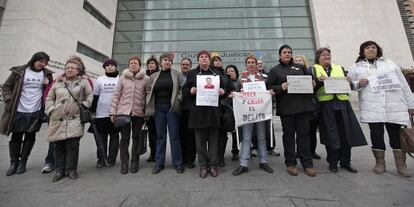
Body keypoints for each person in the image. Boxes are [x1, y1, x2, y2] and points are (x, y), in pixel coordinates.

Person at [348, 41, 414, 177]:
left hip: (393, 105)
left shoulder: (390, 64)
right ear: (362, 51)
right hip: (372, 106)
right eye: (367, 48)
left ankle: (401, 163)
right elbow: (349, 83)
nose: (371, 49)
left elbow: (404, 85)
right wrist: (358, 83)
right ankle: (380, 162)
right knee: (376, 134)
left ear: (378, 50)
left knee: (396, 134)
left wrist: (411, 105)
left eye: (374, 47)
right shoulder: (356, 67)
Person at [313, 47, 367, 174]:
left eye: (328, 55)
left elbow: (349, 84)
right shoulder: (313, 69)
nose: (326, 57)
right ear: (318, 57)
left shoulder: (339, 68)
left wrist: (349, 82)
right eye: (323, 55)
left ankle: (345, 162)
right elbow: (312, 87)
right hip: (326, 105)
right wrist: (318, 81)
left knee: (345, 133)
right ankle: (333, 162)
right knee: (331, 135)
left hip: (342, 104)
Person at [1, 52, 53, 176]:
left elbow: (51, 91)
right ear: (34, 59)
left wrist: (47, 85)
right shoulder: (20, 71)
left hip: (35, 110)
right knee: (16, 136)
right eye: (41, 61)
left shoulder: (47, 74)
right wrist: (9, 100)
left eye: (45, 62)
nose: (43, 64)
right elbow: (7, 87)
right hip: (19, 109)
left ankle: (23, 162)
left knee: (30, 136)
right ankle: (13, 163)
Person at [267, 45, 316, 177]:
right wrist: (280, 88)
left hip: (303, 108)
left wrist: (313, 83)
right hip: (287, 109)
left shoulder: (300, 67)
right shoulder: (274, 70)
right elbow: (269, 88)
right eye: (284, 52)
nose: (287, 54)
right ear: (280, 55)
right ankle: (290, 163)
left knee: (304, 136)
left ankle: (307, 164)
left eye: (289, 52)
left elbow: (311, 80)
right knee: (289, 137)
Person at [41, 57, 94, 174]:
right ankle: (59, 170)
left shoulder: (84, 82)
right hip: (58, 118)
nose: (69, 70)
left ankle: (71, 169)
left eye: (72, 68)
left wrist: (84, 106)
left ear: (78, 70)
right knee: (58, 144)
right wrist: (51, 110)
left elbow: (90, 96)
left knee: (73, 145)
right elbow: (49, 97)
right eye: (67, 68)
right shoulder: (58, 82)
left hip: (75, 118)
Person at [183, 50, 227, 178]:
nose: (204, 59)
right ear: (198, 60)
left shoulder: (216, 73)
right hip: (198, 113)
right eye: (201, 57)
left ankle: (213, 165)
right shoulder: (192, 73)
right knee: (200, 142)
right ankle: (203, 166)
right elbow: (185, 91)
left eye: (206, 57)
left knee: (213, 141)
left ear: (209, 60)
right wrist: (190, 90)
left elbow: (225, 88)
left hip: (213, 112)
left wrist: (222, 91)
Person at [232, 54, 274, 176]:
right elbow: (237, 91)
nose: (251, 64)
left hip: (260, 111)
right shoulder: (241, 77)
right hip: (247, 112)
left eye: (253, 62)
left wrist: (270, 93)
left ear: (256, 64)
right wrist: (234, 95)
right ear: (246, 65)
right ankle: (243, 163)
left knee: (261, 137)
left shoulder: (263, 77)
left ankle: (263, 161)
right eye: (249, 62)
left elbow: (268, 90)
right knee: (246, 137)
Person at [109, 56, 149, 174]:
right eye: (131, 63)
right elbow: (116, 95)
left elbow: (148, 96)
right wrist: (113, 112)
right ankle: (124, 163)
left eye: (135, 63)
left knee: (136, 138)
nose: (133, 65)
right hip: (124, 112)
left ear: (139, 65)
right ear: (128, 65)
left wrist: (147, 111)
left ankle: (134, 162)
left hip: (138, 113)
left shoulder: (146, 79)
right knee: (124, 139)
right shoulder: (122, 78)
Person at [146, 53, 183, 174]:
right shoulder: (154, 76)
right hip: (158, 109)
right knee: (160, 137)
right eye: (165, 60)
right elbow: (148, 90)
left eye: (169, 60)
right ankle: (159, 163)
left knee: (174, 136)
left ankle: (178, 163)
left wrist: (179, 99)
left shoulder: (176, 74)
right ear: (161, 62)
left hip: (172, 108)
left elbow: (181, 89)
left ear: (171, 63)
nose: (167, 62)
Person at [90, 58, 120, 168]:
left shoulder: (119, 79)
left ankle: (111, 159)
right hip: (100, 114)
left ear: (116, 67)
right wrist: (93, 112)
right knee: (101, 138)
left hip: (115, 114)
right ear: (105, 67)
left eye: (112, 65)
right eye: (107, 65)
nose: (110, 66)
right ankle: (101, 159)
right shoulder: (100, 80)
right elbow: (95, 97)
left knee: (114, 138)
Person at [294, 55, 321, 160]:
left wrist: (316, 83)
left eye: (300, 60)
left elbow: (315, 87)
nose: (298, 62)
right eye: (296, 60)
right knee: (300, 131)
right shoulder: (291, 74)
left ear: (304, 61)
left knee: (312, 131)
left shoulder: (310, 73)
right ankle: (299, 152)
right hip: (298, 106)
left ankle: (312, 151)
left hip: (311, 106)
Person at [179, 57, 197, 169]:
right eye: (183, 64)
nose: (185, 66)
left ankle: (190, 159)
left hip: (191, 109)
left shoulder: (194, 76)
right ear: (180, 65)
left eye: (187, 64)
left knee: (191, 135)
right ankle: (182, 157)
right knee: (181, 135)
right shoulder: (176, 77)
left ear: (190, 66)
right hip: (179, 109)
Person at [145, 55, 160, 162]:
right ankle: (152, 153)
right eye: (149, 64)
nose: (150, 65)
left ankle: (158, 153)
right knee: (151, 132)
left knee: (158, 132)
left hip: (158, 107)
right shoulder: (145, 76)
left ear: (156, 65)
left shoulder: (159, 75)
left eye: (152, 63)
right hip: (148, 108)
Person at [225, 65, 241, 161]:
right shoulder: (225, 82)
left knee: (236, 132)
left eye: (232, 71)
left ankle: (235, 151)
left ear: (236, 72)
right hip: (227, 109)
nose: (230, 73)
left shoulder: (240, 81)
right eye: (228, 71)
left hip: (238, 109)